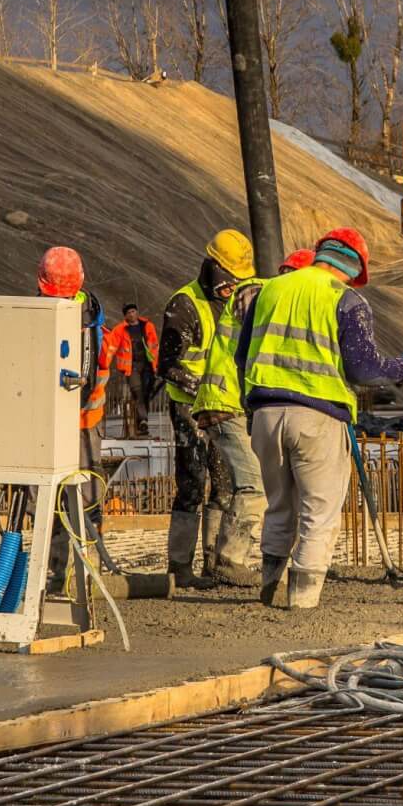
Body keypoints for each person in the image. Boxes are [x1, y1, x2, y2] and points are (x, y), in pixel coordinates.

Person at [241, 228, 403, 609]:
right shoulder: (346, 299)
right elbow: (363, 369)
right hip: (318, 417)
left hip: (265, 413)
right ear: (354, 267)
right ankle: (302, 601)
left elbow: (243, 354)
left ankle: (270, 586)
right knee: (319, 511)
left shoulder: (269, 291)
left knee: (279, 504)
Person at [160, 229, 256, 593]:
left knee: (226, 482)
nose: (233, 288)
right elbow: (167, 364)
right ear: (214, 269)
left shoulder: (236, 305)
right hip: (189, 408)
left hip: (224, 408)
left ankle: (217, 563)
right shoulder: (184, 305)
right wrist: (203, 391)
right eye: (229, 281)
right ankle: (179, 567)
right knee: (191, 482)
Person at [190, 264, 273, 587]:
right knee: (254, 486)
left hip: (226, 403)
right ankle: (230, 560)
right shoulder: (254, 294)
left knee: (232, 487)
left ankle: (217, 560)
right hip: (225, 404)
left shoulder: (252, 292)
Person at [37, 246, 111, 587]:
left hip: (71, 424)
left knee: (61, 500)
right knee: (80, 498)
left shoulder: (72, 320)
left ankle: (65, 568)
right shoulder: (93, 317)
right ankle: (76, 566)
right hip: (82, 425)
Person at [121, 303, 160, 437]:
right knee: (138, 393)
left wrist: (157, 364)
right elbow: (112, 344)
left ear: (137, 312)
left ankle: (142, 422)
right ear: (125, 316)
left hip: (148, 366)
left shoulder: (147, 326)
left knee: (146, 394)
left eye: (133, 311)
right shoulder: (121, 329)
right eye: (129, 312)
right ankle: (143, 421)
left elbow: (155, 346)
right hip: (131, 367)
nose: (132, 314)